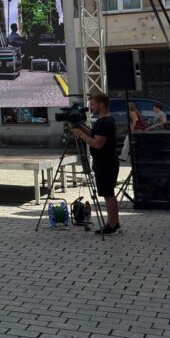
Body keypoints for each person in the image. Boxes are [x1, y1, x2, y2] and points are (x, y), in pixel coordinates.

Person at [71, 93, 120, 236]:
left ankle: (111, 226)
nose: (90, 107)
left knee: (108, 194)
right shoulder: (104, 122)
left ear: (101, 104)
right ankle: (114, 223)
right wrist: (82, 128)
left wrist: (81, 135)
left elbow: (97, 144)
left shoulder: (104, 123)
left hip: (105, 163)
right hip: (106, 162)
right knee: (109, 194)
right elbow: (95, 134)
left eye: (93, 104)